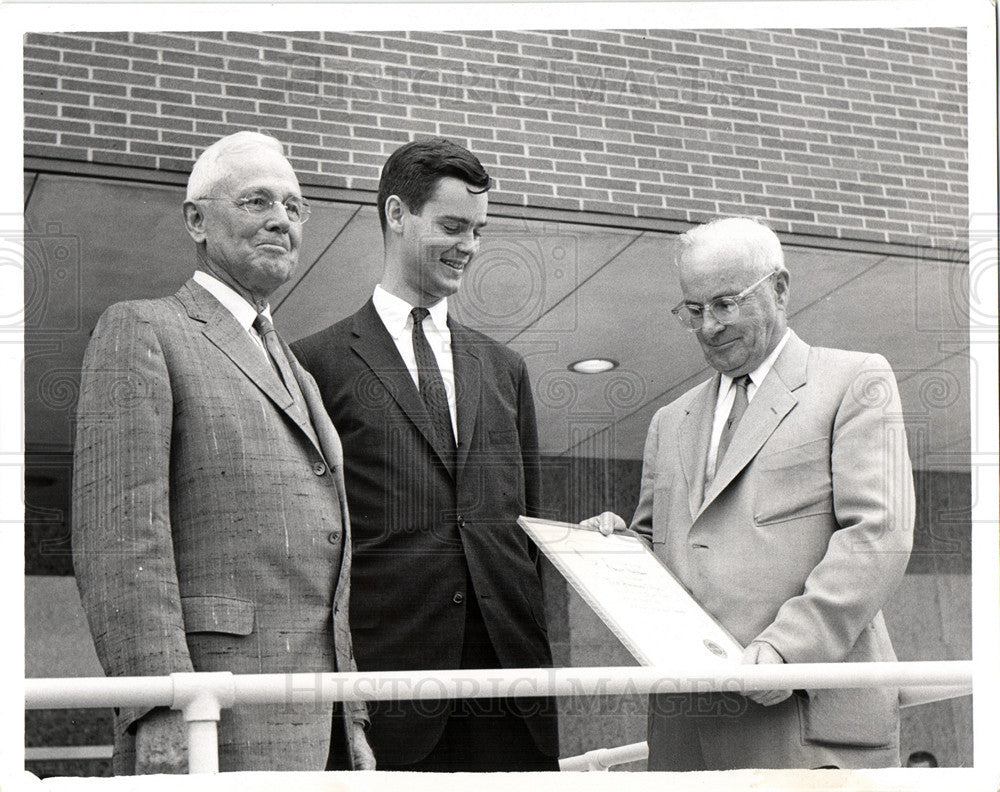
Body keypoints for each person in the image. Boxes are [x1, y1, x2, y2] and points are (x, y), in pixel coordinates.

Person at [72, 131, 375, 774]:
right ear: (196, 219)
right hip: (210, 721)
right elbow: (120, 539)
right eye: (256, 201)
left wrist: (353, 722)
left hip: (323, 730)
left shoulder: (300, 372)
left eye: (294, 208)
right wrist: (160, 703)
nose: (280, 221)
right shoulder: (144, 330)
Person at [586, 216, 915, 770]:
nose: (709, 326)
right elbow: (659, 547)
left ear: (779, 289)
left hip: (805, 719)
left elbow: (878, 536)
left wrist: (787, 649)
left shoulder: (855, 380)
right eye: (693, 310)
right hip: (685, 733)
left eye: (726, 303)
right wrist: (617, 549)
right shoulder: (669, 421)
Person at [291, 138, 559, 772]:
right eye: (452, 225)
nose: (469, 245)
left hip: (509, 692)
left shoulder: (506, 369)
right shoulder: (314, 365)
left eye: (479, 229)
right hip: (388, 695)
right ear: (395, 214)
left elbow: (523, 530)